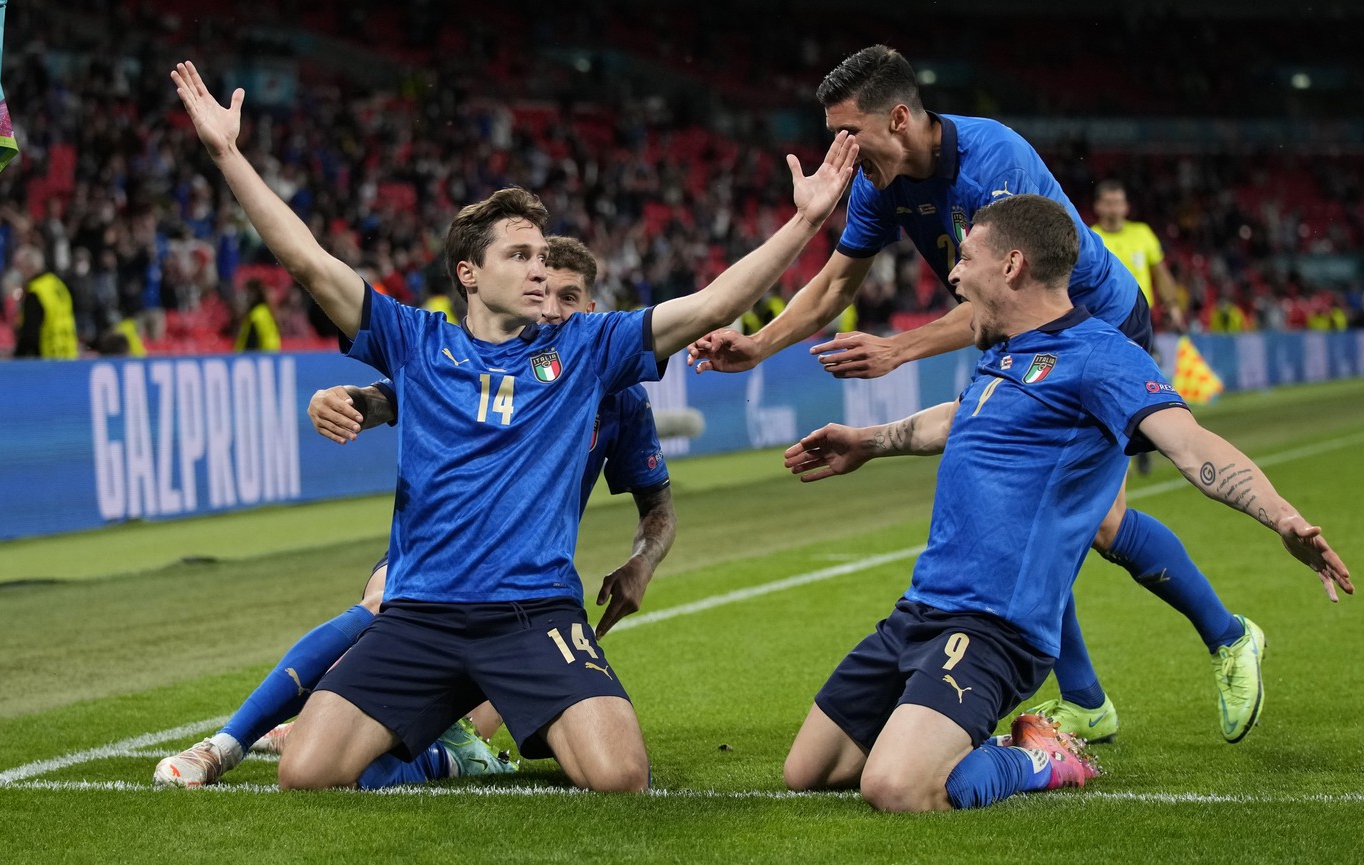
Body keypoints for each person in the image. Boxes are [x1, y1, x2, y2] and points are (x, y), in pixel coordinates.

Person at [171, 59, 857, 792]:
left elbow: (716, 302)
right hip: (421, 614)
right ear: (469, 272)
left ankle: (441, 747)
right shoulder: (415, 341)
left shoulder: (587, 348)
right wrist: (227, 154)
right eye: (520, 255)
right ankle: (424, 750)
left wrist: (807, 220)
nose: (538, 270)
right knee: (306, 775)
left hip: (534, 616)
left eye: (542, 254)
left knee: (620, 776)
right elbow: (307, 261)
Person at [688, 45, 1269, 745]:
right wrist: (757, 345)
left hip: (1091, 327)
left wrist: (899, 349)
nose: (840, 151)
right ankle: (1087, 697)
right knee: (1017, 518)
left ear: (899, 118)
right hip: (1015, 337)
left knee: (1094, 518)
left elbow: (1012, 289)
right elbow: (838, 284)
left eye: (850, 132)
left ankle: (1228, 637)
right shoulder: (881, 182)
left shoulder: (994, 161)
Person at [777, 194, 1351, 813]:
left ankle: (1037, 757)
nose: (954, 272)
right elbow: (963, 419)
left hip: (994, 627)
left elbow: (1191, 446)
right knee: (810, 771)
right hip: (921, 609)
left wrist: (1282, 516)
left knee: (896, 787)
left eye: (966, 257)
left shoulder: (1101, 357)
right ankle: (943, 732)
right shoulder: (1002, 350)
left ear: (1012, 265)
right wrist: (868, 441)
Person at [154, 235, 679, 789]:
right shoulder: (480, 361)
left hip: (525, 587)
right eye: (542, 291)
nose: (551, 309)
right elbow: (390, 396)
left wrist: (640, 564)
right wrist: (345, 400)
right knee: (382, 601)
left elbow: (658, 505)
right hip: (436, 560)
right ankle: (227, 741)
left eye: (568, 298)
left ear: (591, 310)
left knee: (481, 722)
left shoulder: (615, 391)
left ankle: (439, 755)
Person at [1091, 178, 1184, 475]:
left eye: (1118, 202)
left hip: (1141, 322)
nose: (1114, 208)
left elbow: (1160, 273)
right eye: (1108, 202)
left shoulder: (1142, 233)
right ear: (1098, 207)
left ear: (1126, 206)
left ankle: (1142, 444)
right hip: (1104, 322)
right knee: (1107, 385)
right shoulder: (1091, 237)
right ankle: (1112, 446)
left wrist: (1172, 305)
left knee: (1146, 381)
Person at [12, 245, 80, 359]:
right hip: (68, 353)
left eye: (21, 268)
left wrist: (17, 359)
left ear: (30, 267)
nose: (20, 273)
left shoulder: (36, 291)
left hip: (48, 356)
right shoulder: (58, 284)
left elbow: (30, 332)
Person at [233, 277, 282, 351]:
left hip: (256, 359)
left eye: (247, 292)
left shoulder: (256, 315)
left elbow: (251, 344)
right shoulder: (265, 312)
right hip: (270, 357)